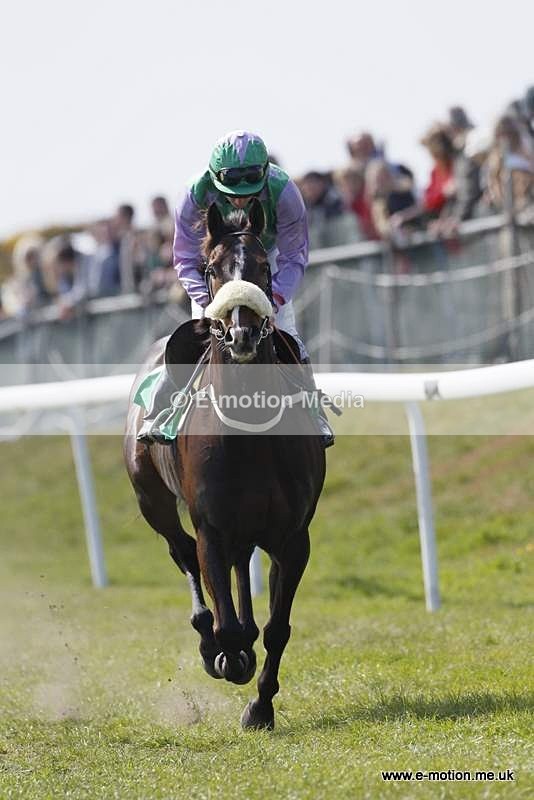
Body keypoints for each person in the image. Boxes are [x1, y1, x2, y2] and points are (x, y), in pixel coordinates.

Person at [137, 130, 334, 447]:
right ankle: (161, 409)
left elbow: (295, 254)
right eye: (232, 192)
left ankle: (314, 412)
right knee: (197, 332)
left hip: (261, 256)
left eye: (250, 191)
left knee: (287, 333)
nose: (241, 198)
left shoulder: (284, 192)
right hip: (215, 263)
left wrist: (276, 298)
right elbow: (184, 257)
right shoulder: (193, 194)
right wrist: (209, 300)